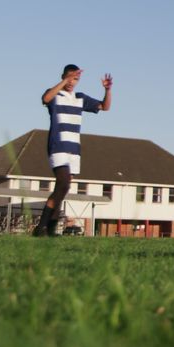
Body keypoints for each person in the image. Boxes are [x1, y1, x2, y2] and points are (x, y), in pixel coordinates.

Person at [34, 65, 112, 237]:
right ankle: (41, 227)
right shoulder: (55, 94)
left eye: (75, 79)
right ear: (63, 77)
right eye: (69, 78)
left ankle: (49, 228)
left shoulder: (80, 98)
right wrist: (64, 81)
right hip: (57, 145)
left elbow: (105, 107)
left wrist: (107, 90)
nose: (72, 82)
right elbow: (46, 98)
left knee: (63, 188)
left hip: (74, 148)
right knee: (62, 183)